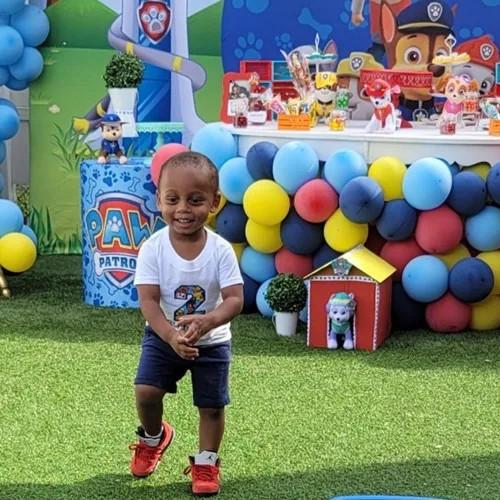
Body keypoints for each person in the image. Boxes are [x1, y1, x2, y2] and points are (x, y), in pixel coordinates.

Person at [130, 151, 244, 496]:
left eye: (195, 200)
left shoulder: (221, 250)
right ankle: (154, 437)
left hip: (211, 343)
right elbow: (148, 301)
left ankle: (207, 462)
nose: (183, 209)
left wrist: (209, 321)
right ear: (158, 201)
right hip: (163, 337)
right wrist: (169, 335)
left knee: (211, 406)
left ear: (214, 202)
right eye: (172, 199)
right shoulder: (153, 248)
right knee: (146, 391)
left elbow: (235, 299)